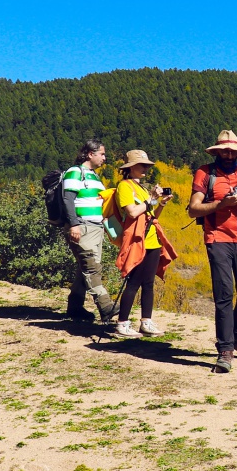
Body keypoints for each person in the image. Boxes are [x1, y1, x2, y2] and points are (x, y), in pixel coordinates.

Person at [189, 130, 237, 372]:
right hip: (217, 238)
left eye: (233, 151)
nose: (229, 154)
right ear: (217, 151)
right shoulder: (205, 173)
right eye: (225, 150)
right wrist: (222, 204)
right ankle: (225, 348)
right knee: (223, 294)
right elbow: (193, 209)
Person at [107, 149, 178, 339]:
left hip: (152, 240)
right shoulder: (125, 187)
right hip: (137, 240)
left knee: (148, 283)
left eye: (147, 165)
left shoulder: (143, 189)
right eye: (141, 165)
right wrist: (151, 200)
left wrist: (160, 203)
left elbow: (151, 216)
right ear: (130, 168)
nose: (145, 168)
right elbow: (131, 212)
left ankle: (146, 322)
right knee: (134, 282)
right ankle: (122, 324)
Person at [60, 140, 116, 323]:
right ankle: (106, 307)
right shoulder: (75, 172)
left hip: (96, 228)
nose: (104, 158)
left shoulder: (93, 176)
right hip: (82, 227)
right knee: (91, 267)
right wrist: (74, 225)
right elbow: (67, 200)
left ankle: (75, 308)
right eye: (102, 154)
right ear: (90, 154)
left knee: (85, 268)